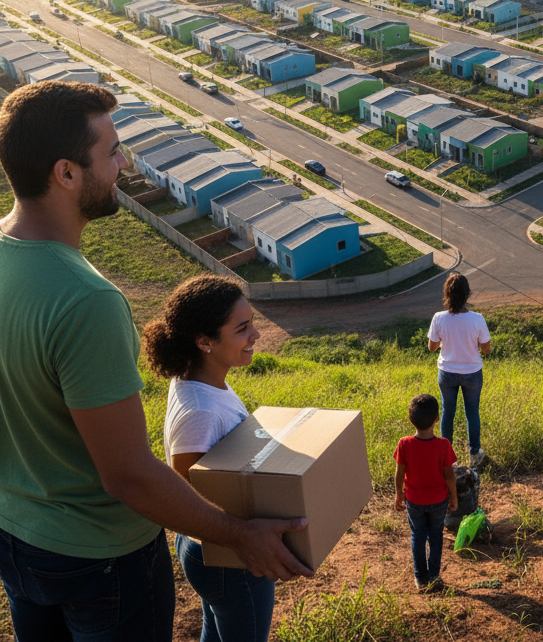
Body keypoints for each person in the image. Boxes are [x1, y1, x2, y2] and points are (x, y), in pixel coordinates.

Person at [0, 82, 311, 642]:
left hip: (17, 539)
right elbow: (129, 476)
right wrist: (237, 534)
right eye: (112, 151)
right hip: (102, 558)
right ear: (66, 173)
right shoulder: (86, 300)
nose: (124, 162)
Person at [144, 274, 275, 642]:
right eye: (242, 328)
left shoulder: (204, 380)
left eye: (252, 322)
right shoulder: (200, 411)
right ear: (204, 342)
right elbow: (187, 494)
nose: (256, 335)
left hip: (214, 549)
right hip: (224, 555)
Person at [393, 393, 458, 592]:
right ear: (437, 419)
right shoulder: (443, 445)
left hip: (414, 501)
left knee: (418, 536)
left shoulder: (404, 444)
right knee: (436, 536)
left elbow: (399, 473)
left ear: (410, 419)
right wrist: (454, 497)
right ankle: (434, 576)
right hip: (439, 501)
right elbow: (449, 476)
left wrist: (398, 494)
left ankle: (420, 579)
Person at [427, 272, 491, 468]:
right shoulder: (477, 319)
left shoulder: (438, 318)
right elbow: (486, 350)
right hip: (472, 372)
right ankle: (474, 453)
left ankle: (447, 458)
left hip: (447, 372)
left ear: (447, 294)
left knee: (448, 412)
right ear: (467, 294)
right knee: (472, 412)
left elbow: (432, 347)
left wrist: (447, 340)